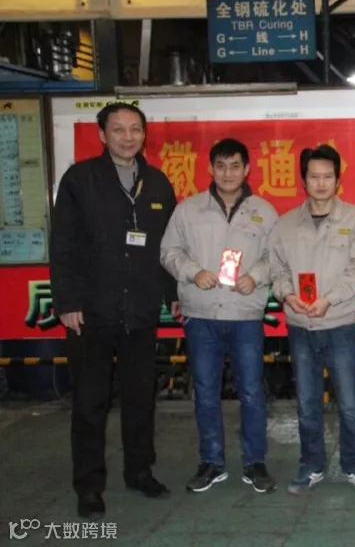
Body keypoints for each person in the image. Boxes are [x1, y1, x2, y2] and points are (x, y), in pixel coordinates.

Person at [50, 103, 176, 520]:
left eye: (135, 129)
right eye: (118, 129)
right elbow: (63, 244)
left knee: (140, 398)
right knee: (90, 403)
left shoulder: (157, 184)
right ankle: (89, 486)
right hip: (91, 311)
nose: (127, 137)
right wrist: (67, 301)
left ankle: (139, 471)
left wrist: (172, 293)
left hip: (140, 310)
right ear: (102, 135)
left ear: (144, 134)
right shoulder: (80, 179)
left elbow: (167, 248)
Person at [160, 138, 279, 494]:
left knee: (252, 392)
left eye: (235, 166)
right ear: (210, 169)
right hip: (202, 314)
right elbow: (169, 251)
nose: (228, 173)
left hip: (245, 315)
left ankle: (255, 462)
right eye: (221, 166)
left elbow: (277, 257)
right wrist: (193, 272)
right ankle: (212, 462)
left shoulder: (264, 211)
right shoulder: (188, 210)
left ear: (247, 169)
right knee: (206, 391)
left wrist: (255, 276)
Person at [269, 144, 355, 494]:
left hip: (341, 322)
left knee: (350, 403)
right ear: (303, 180)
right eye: (314, 176)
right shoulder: (285, 224)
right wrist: (288, 294)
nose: (320, 183)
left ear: (337, 180)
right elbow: (277, 268)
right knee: (306, 402)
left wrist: (329, 299)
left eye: (327, 176)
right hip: (301, 326)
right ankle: (311, 464)